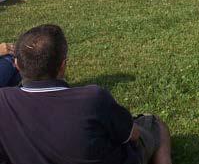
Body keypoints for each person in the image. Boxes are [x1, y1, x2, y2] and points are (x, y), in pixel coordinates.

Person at [0, 24, 173, 164]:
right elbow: (133, 135)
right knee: (154, 124)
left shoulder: (3, 100)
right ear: (63, 66)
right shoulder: (91, 99)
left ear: (16, 64)